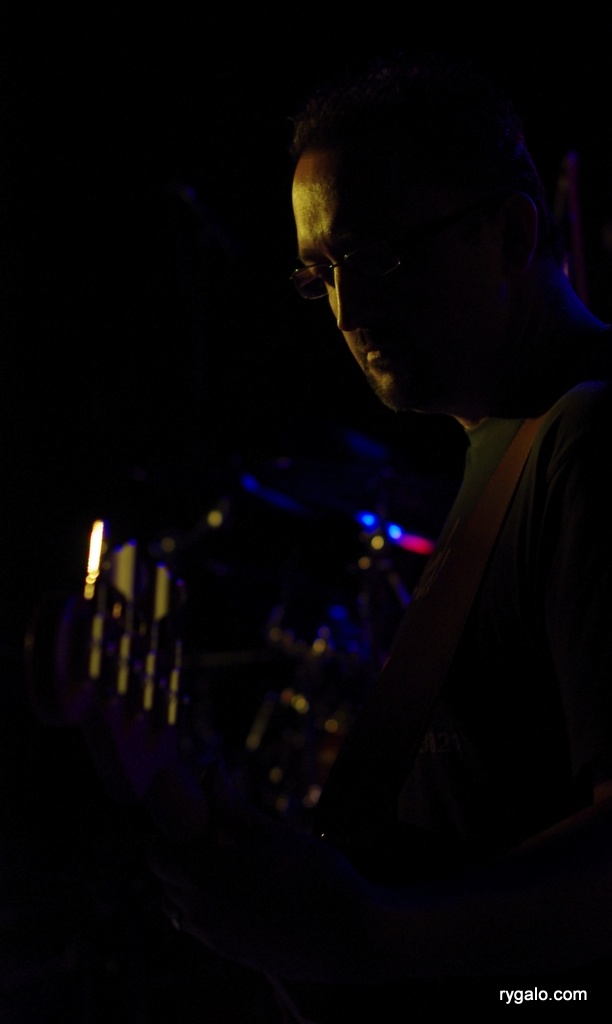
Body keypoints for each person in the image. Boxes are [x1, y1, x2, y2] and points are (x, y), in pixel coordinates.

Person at [146, 51, 612, 1018]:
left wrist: (377, 933)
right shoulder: (510, 445)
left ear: (512, 233)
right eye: (320, 273)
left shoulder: (590, 440)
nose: (348, 311)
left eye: (377, 257)